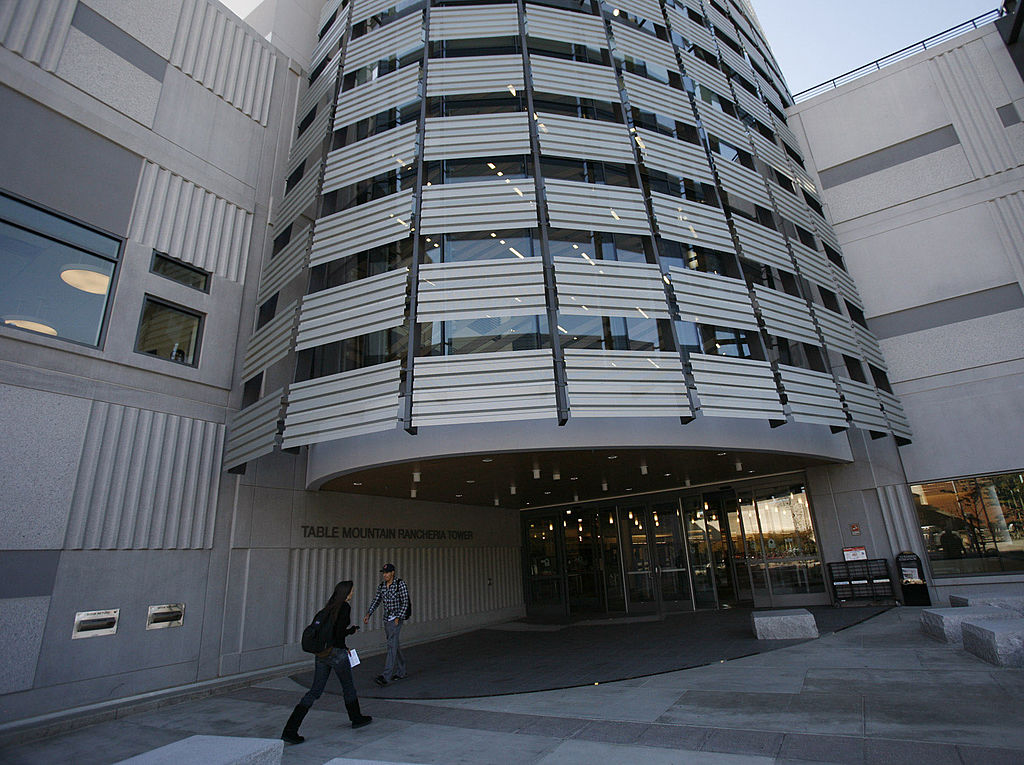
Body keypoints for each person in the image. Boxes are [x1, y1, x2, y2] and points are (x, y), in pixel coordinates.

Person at [281, 580, 372, 744]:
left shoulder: (329, 608)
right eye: (351, 591)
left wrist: (350, 631)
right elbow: (337, 635)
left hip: (322, 654)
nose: (353, 593)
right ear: (346, 593)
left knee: (315, 691)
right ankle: (356, 717)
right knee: (348, 686)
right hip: (336, 653)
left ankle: (290, 729)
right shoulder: (344, 607)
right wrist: (345, 647)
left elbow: (332, 631)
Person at [363, 563, 408, 686]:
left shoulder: (400, 584)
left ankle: (386, 676)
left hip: (396, 619)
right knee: (394, 644)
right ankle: (401, 670)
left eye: (387, 572)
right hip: (387, 619)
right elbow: (377, 600)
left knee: (391, 646)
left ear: (392, 573)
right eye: (384, 573)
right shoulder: (382, 586)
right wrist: (369, 613)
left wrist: (399, 616)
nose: (385, 575)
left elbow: (405, 602)